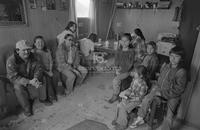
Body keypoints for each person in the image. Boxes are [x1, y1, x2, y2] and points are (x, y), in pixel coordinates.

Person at [131, 46, 187, 129]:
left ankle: (166, 128)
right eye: (171, 56)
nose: (173, 59)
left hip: (173, 94)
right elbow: (161, 78)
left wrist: (162, 93)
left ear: (181, 58)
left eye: (176, 57)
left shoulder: (181, 71)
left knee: (169, 114)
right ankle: (140, 118)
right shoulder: (166, 65)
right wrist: (156, 85)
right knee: (146, 98)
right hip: (160, 88)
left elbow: (179, 90)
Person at [6, 40, 52, 117]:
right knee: (18, 87)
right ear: (17, 51)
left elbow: (39, 68)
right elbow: (13, 77)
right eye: (24, 50)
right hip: (19, 79)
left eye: (28, 49)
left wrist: (36, 78)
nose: (27, 52)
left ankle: (43, 99)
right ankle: (26, 108)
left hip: (31, 76)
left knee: (43, 77)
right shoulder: (11, 60)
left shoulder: (34, 56)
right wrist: (29, 82)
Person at [112, 65, 149, 130]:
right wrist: (125, 92)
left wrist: (129, 98)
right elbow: (130, 88)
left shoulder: (143, 85)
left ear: (141, 76)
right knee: (119, 105)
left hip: (137, 100)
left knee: (124, 108)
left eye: (135, 73)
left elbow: (140, 98)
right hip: (131, 96)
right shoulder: (134, 80)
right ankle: (117, 120)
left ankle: (122, 125)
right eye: (134, 72)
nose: (134, 73)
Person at [108, 33, 135, 103]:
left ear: (130, 41)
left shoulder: (131, 52)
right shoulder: (118, 50)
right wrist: (116, 68)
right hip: (119, 70)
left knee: (115, 81)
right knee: (116, 79)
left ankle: (115, 95)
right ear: (120, 41)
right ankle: (118, 92)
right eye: (122, 41)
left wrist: (121, 71)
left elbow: (130, 64)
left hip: (127, 71)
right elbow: (116, 61)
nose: (124, 43)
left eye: (126, 41)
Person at [33, 36, 57, 102]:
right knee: (47, 79)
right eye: (38, 42)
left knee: (57, 75)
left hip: (49, 69)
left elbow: (51, 61)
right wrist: (47, 72)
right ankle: (51, 96)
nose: (40, 44)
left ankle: (58, 91)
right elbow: (38, 66)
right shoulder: (33, 53)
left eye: (42, 42)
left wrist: (50, 70)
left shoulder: (47, 50)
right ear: (34, 44)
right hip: (40, 71)